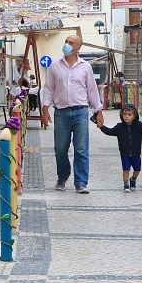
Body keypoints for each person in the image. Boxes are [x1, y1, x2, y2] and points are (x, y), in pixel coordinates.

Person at [40, 34, 104, 194]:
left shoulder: (85, 67)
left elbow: (92, 90)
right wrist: (45, 109)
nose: (67, 44)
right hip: (61, 113)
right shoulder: (55, 66)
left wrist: (98, 110)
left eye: (71, 43)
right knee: (60, 148)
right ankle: (62, 177)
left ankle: (81, 182)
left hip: (80, 112)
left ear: (77, 49)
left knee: (81, 148)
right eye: (66, 42)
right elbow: (48, 88)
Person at [97, 104, 142, 192]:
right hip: (124, 153)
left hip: (136, 153)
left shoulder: (139, 126)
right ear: (122, 115)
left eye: (129, 115)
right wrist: (102, 127)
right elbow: (109, 131)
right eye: (125, 114)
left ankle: (133, 179)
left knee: (137, 169)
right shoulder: (119, 127)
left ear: (134, 116)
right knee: (126, 169)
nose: (127, 117)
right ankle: (126, 184)